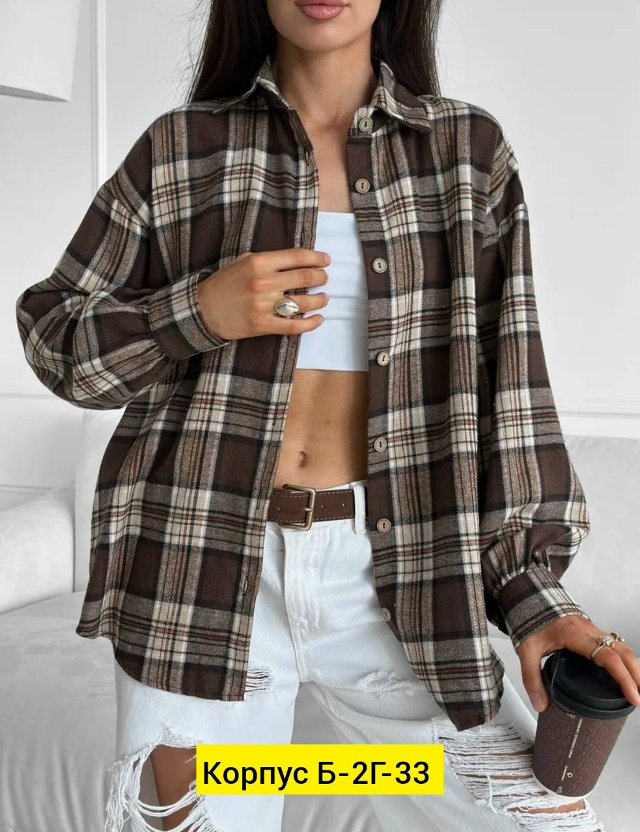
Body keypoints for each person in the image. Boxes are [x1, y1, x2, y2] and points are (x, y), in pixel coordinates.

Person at [15, 0, 640, 830]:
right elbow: (57, 341)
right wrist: (197, 311)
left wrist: (534, 600)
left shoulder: (466, 153)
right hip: (202, 568)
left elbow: (513, 395)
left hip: (396, 574)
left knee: (540, 820)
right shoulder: (182, 148)